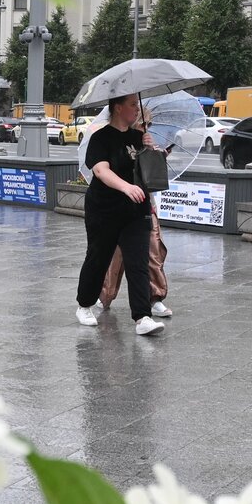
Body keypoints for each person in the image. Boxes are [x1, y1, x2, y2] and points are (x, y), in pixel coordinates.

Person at [74, 93, 165, 336]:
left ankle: (142, 317)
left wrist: (150, 149)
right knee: (98, 258)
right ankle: (84, 304)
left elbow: (151, 172)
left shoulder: (138, 137)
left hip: (136, 211)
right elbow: (101, 171)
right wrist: (126, 187)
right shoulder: (100, 138)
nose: (137, 109)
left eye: (137, 104)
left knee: (138, 263)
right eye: (132, 105)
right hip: (104, 209)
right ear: (117, 108)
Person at [98, 108, 172, 318]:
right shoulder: (115, 142)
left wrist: (154, 153)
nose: (146, 128)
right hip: (120, 208)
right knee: (115, 257)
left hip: (145, 207)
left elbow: (154, 177)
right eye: (143, 124)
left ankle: (155, 297)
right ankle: (105, 295)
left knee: (153, 252)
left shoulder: (147, 143)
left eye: (149, 124)